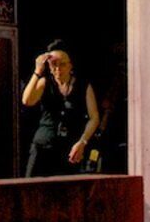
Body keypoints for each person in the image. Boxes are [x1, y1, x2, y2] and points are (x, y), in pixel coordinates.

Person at [21, 45, 105, 177]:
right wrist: (37, 71)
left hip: (70, 149)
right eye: (54, 64)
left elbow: (94, 117)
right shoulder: (45, 83)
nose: (58, 68)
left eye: (62, 64)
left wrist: (82, 142)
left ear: (70, 66)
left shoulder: (83, 86)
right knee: (33, 186)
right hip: (43, 147)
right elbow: (27, 100)